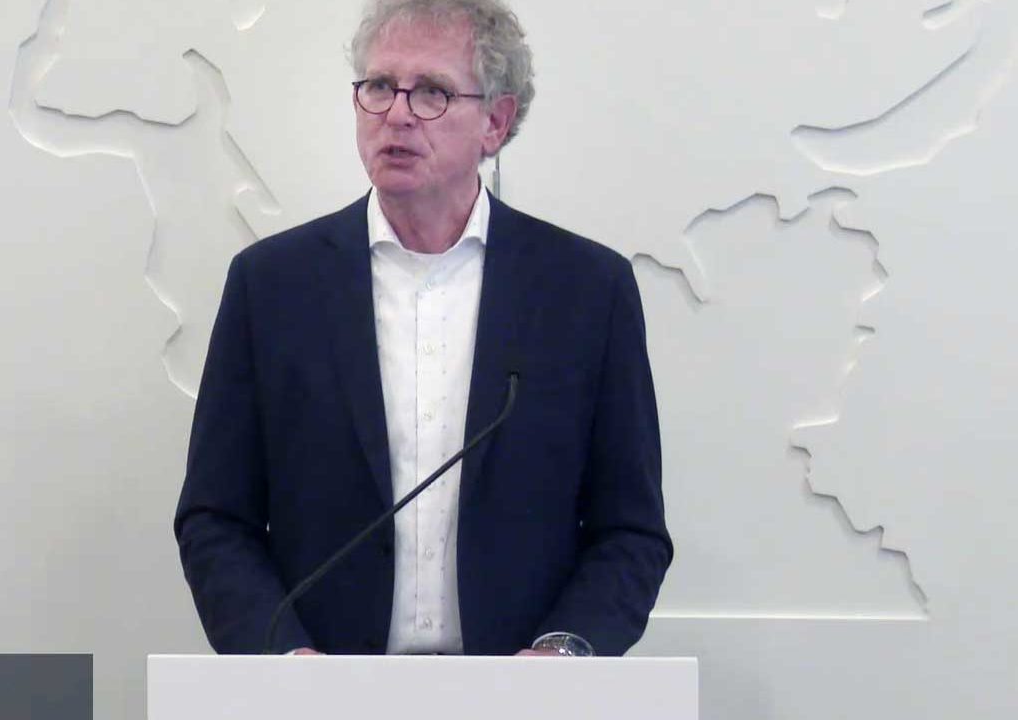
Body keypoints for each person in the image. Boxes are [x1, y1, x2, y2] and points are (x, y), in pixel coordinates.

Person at [173, 0, 671, 657]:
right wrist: (284, 661)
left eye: (432, 91)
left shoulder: (586, 291)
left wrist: (562, 651)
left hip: (518, 691)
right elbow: (216, 518)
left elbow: (629, 529)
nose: (397, 114)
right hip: (323, 689)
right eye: (379, 86)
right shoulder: (271, 287)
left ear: (495, 122)